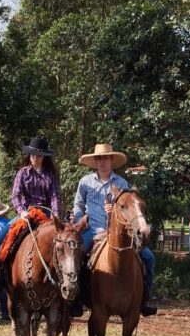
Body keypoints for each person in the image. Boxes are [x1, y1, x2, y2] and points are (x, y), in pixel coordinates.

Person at [72, 143, 157, 316]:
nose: (102, 161)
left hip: (118, 232)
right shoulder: (85, 182)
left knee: (148, 257)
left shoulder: (121, 183)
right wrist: (80, 219)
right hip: (92, 230)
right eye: (99, 158)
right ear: (95, 162)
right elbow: (78, 204)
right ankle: (76, 298)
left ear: (111, 160)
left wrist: (113, 213)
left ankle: (144, 299)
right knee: (77, 255)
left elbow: (127, 208)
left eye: (105, 158)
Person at [11, 135, 62, 218]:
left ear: (44, 157)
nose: (35, 158)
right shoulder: (22, 173)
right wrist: (21, 212)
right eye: (32, 155)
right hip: (27, 212)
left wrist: (55, 213)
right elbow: (15, 195)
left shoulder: (51, 174)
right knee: (6, 231)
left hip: (46, 213)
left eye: (39, 155)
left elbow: (55, 196)